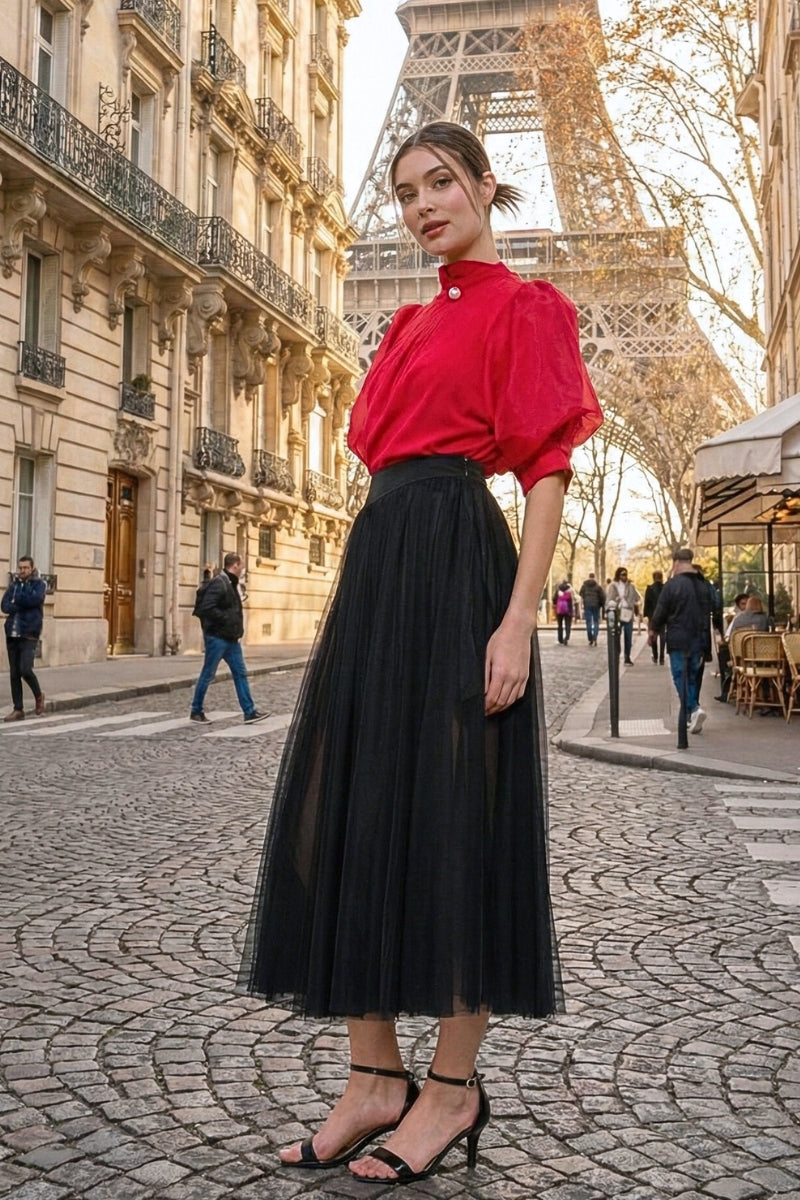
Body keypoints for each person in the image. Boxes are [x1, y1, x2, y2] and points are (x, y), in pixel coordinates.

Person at [237, 120, 603, 1184]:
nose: (420, 205)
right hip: (381, 568)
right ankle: (369, 1078)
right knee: (345, 809)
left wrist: (516, 620)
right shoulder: (398, 327)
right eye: (403, 191)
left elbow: (543, 470)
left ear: (487, 188)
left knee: (456, 822)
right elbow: (378, 465)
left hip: (457, 570)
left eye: (440, 182)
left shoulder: (529, 308)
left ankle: (450, 1091)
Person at [649, 547, 723, 735]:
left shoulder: (672, 585)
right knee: (691, 677)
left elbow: (661, 611)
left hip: (678, 638)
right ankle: (693, 712)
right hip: (699, 638)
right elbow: (714, 608)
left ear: (676, 563)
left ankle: (693, 709)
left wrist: (653, 632)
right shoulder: (704, 585)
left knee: (680, 676)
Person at [189, 552, 268, 724]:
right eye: (241, 565)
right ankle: (196, 711)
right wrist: (227, 619)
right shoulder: (220, 583)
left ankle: (249, 711)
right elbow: (207, 608)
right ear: (236, 565)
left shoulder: (231, 583)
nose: (243, 569)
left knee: (240, 673)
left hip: (231, 639)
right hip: (217, 638)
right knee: (208, 674)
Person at [2, 556, 46, 721]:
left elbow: (34, 600)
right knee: (14, 673)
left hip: (29, 633)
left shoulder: (39, 585)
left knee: (25, 669)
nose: (22, 571)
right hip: (12, 633)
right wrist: (19, 602)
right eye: (20, 568)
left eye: (25, 568)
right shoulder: (14, 585)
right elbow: (5, 605)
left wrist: (18, 600)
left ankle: (38, 695)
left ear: (32, 568)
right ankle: (18, 709)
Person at [606, 566, 641, 664]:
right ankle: (617, 653)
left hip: (628, 612)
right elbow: (609, 599)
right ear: (618, 575)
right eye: (622, 574)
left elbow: (637, 598)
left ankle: (627, 657)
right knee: (616, 635)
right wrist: (615, 601)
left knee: (628, 636)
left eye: (625, 574)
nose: (624, 576)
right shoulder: (613, 586)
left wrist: (632, 601)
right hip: (617, 612)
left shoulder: (631, 586)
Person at [643, 570, 666, 665]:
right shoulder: (665, 588)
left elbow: (646, 603)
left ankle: (655, 655)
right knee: (662, 635)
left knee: (653, 636)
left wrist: (646, 615)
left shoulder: (649, 588)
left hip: (652, 615)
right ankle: (662, 657)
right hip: (663, 615)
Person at [578, 572, 604, 646]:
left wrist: (585, 598)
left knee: (588, 622)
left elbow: (580, 593)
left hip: (587, 605)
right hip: (596, 605)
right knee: (596, 622)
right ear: (594, 577)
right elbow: (602, 596)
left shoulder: (584, 586)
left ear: (589, 577)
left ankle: (590, 638)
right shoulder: (598, 586)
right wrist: (601, 604)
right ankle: (595, 636)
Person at [553, 580, 574, 645]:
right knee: (568, 625)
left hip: (560, 609)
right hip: (568, 609)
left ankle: (560, 639)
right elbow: (573, 600)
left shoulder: (558, 590)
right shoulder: (570, 591)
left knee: (560, 625)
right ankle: (566, 638)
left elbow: (554, 599)